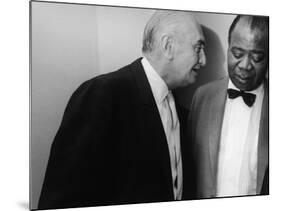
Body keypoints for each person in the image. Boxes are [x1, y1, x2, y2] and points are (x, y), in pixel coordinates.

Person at [38, 10, 206, 210]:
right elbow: (62, 199)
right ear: (168, 46)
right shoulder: (101, 95)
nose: (204, 60)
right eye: (198, 48)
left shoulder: (181, 110)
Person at [189, 15, 269, 199]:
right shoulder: (201, 97)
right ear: (228, 47)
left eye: (257, 57)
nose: (245, 65)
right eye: (237, 54)